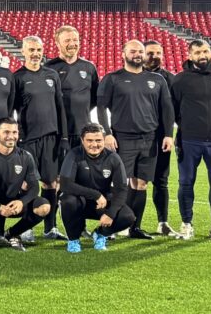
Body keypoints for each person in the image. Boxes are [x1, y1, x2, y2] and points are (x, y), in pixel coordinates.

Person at [97, 39, 176, 240]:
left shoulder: (157, 80)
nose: (137, 54)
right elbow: (101, 108)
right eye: (132, 51)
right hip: (122, 139)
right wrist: (107, 133)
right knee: (118, 184)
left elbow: (167, 109)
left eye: (140, 51)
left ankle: (135, 227)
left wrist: (168, 135)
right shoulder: (113, 78)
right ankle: (112, 226)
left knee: (141, 184)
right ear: (123, 54)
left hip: (149, 140)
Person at [168, 38, 211, 242]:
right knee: (186, 182)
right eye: (198, 52)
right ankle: (186, 224)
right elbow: (173, 109)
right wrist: (189, 124)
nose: (202, 56)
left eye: (205, 51)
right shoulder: (180, 80)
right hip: (189, 141)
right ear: (190, 56)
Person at [10, 35, 66, 243]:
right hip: (28, 141)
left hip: (51, 138)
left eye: (38, 50)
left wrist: (64, 137)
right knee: (28, 184)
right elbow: (12, 111)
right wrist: (18, 138)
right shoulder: (18, 77)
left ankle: (50, 227)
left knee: (52, 183)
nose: (35, 54)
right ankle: (27, 227)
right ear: (23, 52)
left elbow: (60, 108)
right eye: (31, 50)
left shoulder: (52, 75)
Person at [0, 117, 52, 251]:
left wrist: (22, 202)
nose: (11, 136)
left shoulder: (26, 156)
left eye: (14, 132)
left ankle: (12, 233)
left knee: (44, 207)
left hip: (13, 204)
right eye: (6, 132)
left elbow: (34, 187)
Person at [58, 123, 134, 252]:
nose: (94, 145)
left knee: (128, 217)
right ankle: (73, 240)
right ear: (82, 141)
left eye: (98, 140)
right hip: (79, 201)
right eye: (90, 141)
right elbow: (66, 185)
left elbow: (121, 190)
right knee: (68, 201)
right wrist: (95, 195)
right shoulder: (74, 154)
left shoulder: (113, 158)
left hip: (102, 204)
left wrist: (110, 214)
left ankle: (100, 234)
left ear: (104, 140)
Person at [142, 39, 176, 235]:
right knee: (135, 182)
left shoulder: (170, 79)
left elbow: (175, 109)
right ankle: (131, 223)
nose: (154, 57)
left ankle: (162, 222)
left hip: (162, 138)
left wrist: (169, 135)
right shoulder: (134, 76)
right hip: (137, 138)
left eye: (158, 53)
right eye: (150, 53)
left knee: (161, 181)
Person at [48, 25, 99, 154]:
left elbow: (94, 98)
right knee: (58, 172)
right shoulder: (48, 68)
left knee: (82, 171)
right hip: (57, 132)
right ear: (57, 44)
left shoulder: (89, 67)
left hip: (82, 131)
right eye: (67, 41)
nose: (72, 44)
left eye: (75, 40)